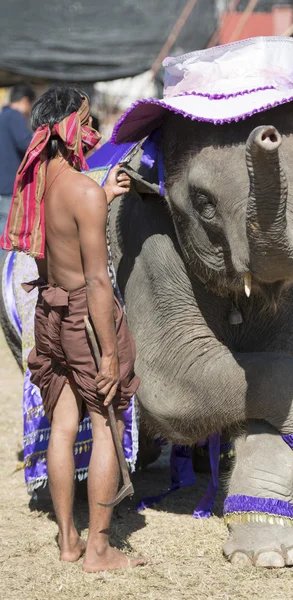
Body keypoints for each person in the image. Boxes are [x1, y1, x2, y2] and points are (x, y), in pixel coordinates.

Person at [0, 86, 146, 572]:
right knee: (107, 425)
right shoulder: (83, 190)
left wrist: (99, 197)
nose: (93, 131)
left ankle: (68, 543)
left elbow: (56, 237)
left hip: (49, 313)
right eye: (84, 121)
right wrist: (108, 353)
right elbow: (98, 281)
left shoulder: (36, 183)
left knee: (63, 427)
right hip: (85, 319)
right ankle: (99, 551)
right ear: (65, 131)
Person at [0, 83, 36, 256]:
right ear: (24, 101)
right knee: (7, 232)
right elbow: (27, 144)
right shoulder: (15, 116)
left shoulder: (3, 115)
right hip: (7, 186)